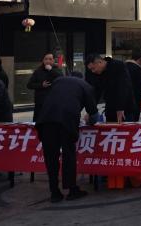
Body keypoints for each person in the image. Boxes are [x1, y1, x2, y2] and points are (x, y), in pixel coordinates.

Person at [35, 72, 98, 202]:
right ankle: (72, 190)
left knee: (51, 157)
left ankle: (54, 192)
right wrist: (90, 121)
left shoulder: (58, 81)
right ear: (82, 78)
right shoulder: (85, 86)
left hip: (45, 121)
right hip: (66, 122)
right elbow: (93, 113)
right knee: (68, 155)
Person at [85, 54, 134, 123]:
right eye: (91, 70)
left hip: (125, 108)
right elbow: (97, 92)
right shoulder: (98, 74)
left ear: (100, 62)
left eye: (93, 68)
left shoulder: (118, 65)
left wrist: (120, 108)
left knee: (125, 127)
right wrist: (90, 111)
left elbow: (123, 87)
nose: (93, 71)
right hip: (110, 108)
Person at [27, 53, 63, 121]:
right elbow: (29, 85)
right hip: (40, 102)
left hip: (53, 102)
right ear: (43, 60)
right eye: (46, 59)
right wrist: (41, 85)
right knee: (38, 121)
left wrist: (51, 70)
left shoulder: (57, 70)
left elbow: (61, 79)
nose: (48, 61)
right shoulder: (38, 71)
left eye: (50, 59)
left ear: (53, 60)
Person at [125, 49, 141, 122]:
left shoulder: (124, 66)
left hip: (125, 97)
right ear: (139, 59)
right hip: (135, 97)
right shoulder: (137, 68)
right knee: (134, 118)